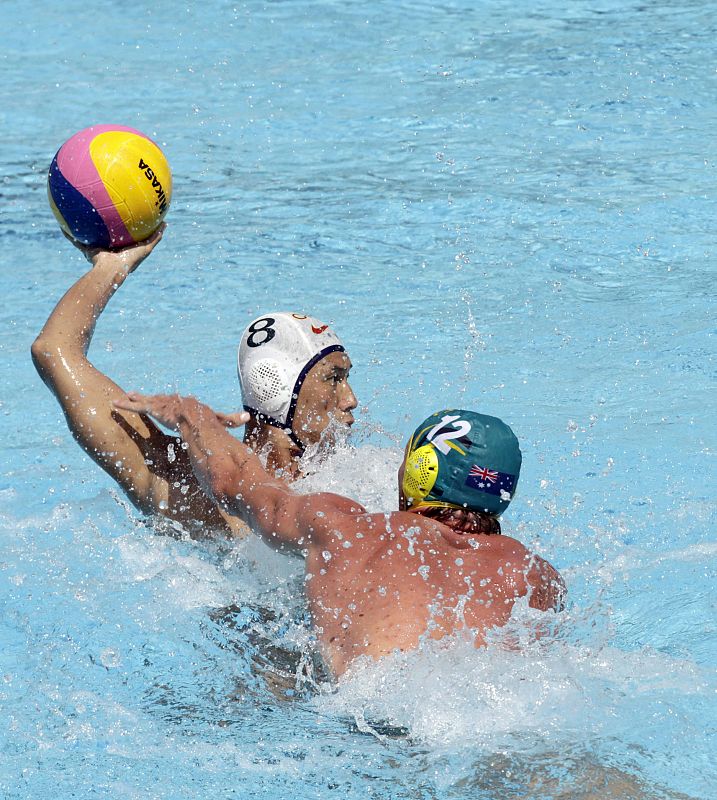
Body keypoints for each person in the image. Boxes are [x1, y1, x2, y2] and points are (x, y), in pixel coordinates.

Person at [113, 393, 566, 677]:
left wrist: (189, 413)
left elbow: (236, 482)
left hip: (368, 730)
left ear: (420, 471)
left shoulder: (348, 529)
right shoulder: (536, 577)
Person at [31, 228, 357, 537]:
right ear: (278, 389)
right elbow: (54, 351)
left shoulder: (364, 480)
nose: (351, 399)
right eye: (334, 379)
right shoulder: (188, 488)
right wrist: (111, 268)